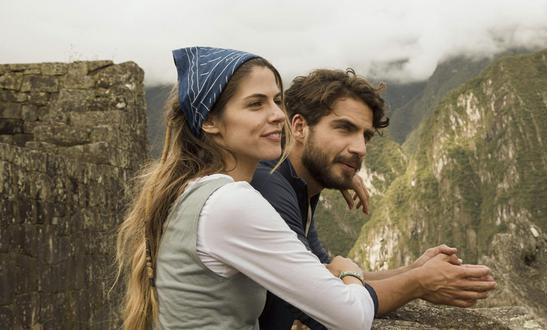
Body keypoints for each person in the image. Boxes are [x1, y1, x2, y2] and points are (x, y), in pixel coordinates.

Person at [115, 47, 380, 330]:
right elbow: (352, 319)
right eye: (256, 104)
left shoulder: (193, 191)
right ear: (210, 121)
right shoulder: (230, 203)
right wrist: (350, 274)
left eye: (277, 101)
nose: (278, 115)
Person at [251, 68, 497, 329]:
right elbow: (327, 305)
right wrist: (420, 282)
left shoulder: (299, 185)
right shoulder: (269, 186)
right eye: (344, 129)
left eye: (365, 136)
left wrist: (413, 271)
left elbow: (325, 275)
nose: (360, 148)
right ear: (299, 127)